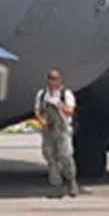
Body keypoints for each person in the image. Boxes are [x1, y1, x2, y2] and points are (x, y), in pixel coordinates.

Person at [34, 67, 83, 198]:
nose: (52, 81)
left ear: (60, 80)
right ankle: (56, 186)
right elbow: (38, 110)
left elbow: (70, 110)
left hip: (62, 129)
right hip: (48, 128)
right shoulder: (42, 94)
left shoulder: (66, 94)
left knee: (65, 155)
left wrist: (58, 105)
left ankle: (71, 180)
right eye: (50, 78)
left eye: (55, 78)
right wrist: (41, 121)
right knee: (50, 157)